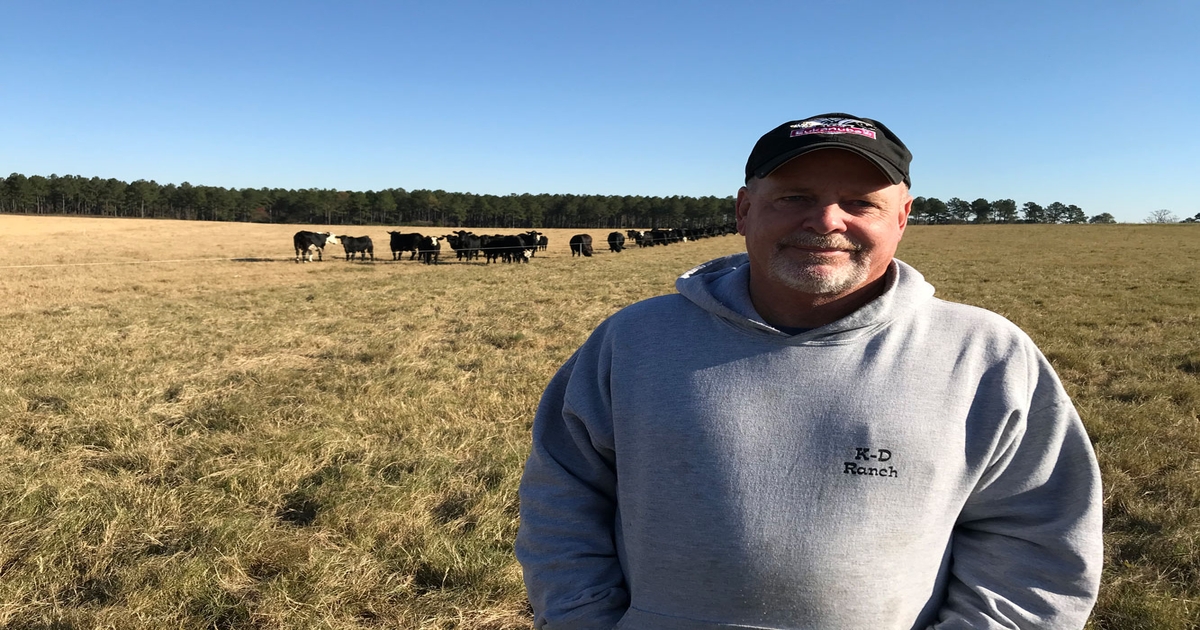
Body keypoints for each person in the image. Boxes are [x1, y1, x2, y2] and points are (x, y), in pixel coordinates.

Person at [515, 113, 1103, 629]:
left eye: (860, 202)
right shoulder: (635, 339)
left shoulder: (984, 353)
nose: (825, 220)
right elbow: (562, 497)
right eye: (793, 197)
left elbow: (1037, 539)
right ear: (745, 211)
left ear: (902, 216)